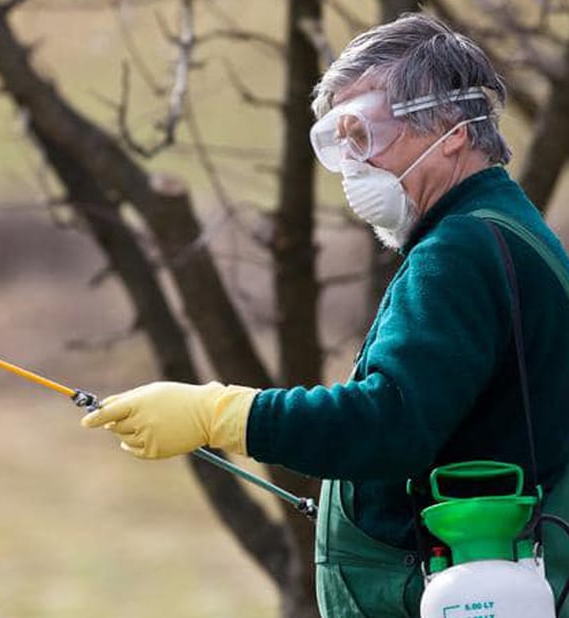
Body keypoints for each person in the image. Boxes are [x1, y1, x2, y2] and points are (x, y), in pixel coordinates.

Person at [82, 13, 569, 618]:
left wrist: (222, 414)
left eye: (364, 134)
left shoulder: (460, 251)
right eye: (338, 143)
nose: (352, 166)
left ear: (451, 128)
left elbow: (387, 424)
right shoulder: (503, 231)